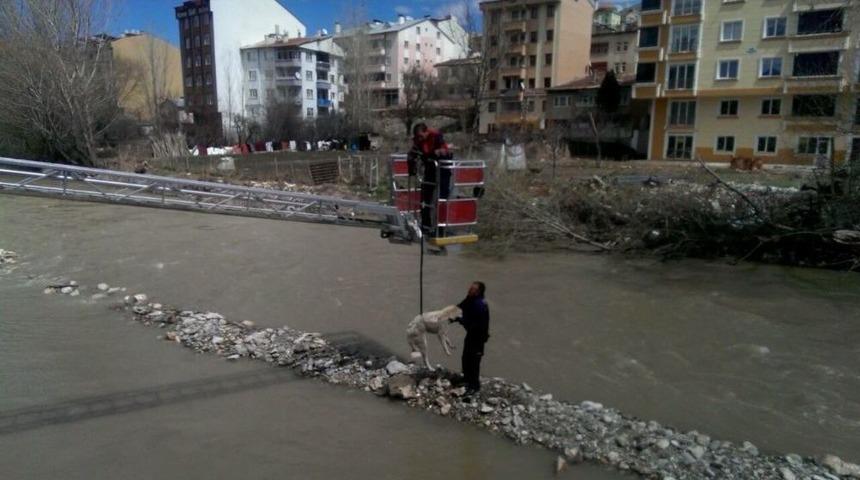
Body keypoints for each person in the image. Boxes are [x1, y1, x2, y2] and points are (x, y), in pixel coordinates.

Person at [407, 123, 452, 235]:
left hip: (443, 171)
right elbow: (412, 154)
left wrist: (434, 154)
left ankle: (441, 229)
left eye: (421, 136)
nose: (420, 139)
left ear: (426, 132)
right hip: (430, 171)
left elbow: (444, 151)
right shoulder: (419, 141)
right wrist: (412, 167)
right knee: (425, 199)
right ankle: (426, 226)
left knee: (441, 199)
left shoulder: (436, 137)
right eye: (418, 137)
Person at [450, 281, 490, 395]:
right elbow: (460, 307)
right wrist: (449, 313)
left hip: (478, 336)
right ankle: (466, 379)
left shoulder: (480, 305)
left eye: (472, 289)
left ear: (477, 292)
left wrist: (458, 319)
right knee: (466, 357)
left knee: (474, 361)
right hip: (471, 334)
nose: (469, 290)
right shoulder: (470, 299)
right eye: (470, 288)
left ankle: (474, 386)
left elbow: (475, 324)